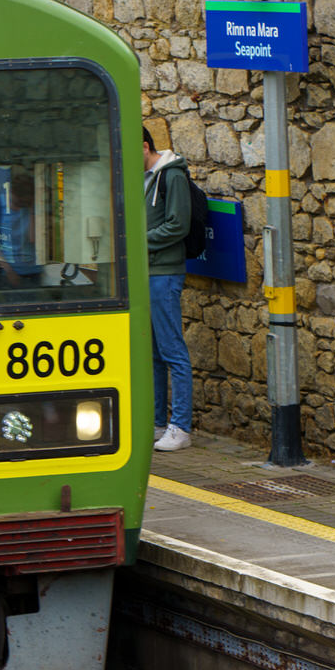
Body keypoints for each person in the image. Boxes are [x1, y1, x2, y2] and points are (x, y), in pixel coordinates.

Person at [144, 125, 194, 452]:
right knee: (153, 352)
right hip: (147, 271)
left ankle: (181, 426)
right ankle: (158, 422)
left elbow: (178, 223)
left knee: (172, 349)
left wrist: (139, 240)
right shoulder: (145, 178)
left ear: (144, 147)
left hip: (164, 273)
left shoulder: (171, 175)